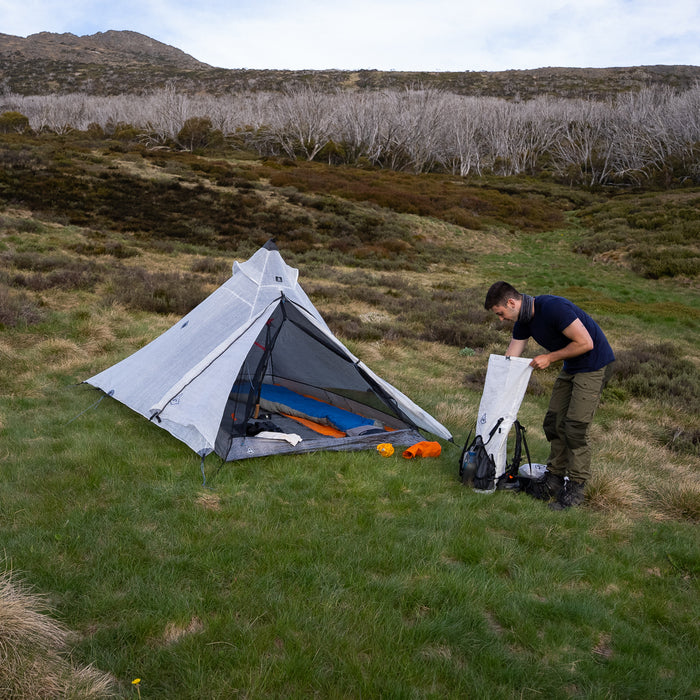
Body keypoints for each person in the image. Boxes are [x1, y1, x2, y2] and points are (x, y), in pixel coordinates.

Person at [484, 282, 615, 510]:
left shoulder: (553, 307)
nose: (501, 320)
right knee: (554, 422)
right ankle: (553, 480)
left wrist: (550, 358)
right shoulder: (523, 321)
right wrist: (496, 389)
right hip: (573, 366)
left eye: (501, 314)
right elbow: (511, 357)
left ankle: (575, 489)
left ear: (512, 303)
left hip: (594, 364)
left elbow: (586, 343)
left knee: (575, 426)